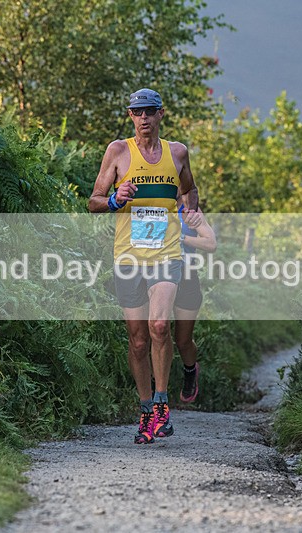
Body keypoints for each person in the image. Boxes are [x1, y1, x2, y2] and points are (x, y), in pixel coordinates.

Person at [88, 88, 200, 444]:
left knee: (160, 326)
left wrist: (191, 211)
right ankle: (145, 408)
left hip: (167, 253)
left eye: (150, 111)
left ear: (161, 114)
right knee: (137, 341)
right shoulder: (118, 152)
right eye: (138, 112)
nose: (144, 118)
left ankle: (162, 407)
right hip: (128, 256)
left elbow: (190, 190)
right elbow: (92, 203)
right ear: (130, 116)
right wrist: (114, 199)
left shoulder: (177, 152)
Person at [174, 205, 216, 404]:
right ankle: (158, 393)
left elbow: (210, 243)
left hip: (187, 277)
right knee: (159, 330)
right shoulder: (149, 203)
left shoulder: (189, 210)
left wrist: (181, 238)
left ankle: (190, 370)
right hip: (156, 275)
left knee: (182, 340)